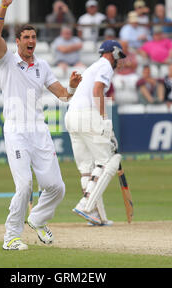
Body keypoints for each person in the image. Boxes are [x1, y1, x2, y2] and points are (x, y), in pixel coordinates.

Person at [0, 0, 81, 251]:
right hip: (16, 130)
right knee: (25, 185)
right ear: (17, 42)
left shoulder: (41, 66)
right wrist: (4, 6)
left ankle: (38, 218)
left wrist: (74, 86)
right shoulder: (7, 60)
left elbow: (63, 96)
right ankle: (11, 237)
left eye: (33, 38)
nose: (30, 41)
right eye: (26, 38)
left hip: (38, 130)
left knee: (57, 187)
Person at [64, 40, 126, 226]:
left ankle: (96, 216)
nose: (120, 61)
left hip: (71, 117)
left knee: (86, 169)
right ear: (112, 54)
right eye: (119, 56)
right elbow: (98, 89)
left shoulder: (93, 67)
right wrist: (104, 119)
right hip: (88, 116)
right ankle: (85, 205)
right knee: (109, 162)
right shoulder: (105, 65)